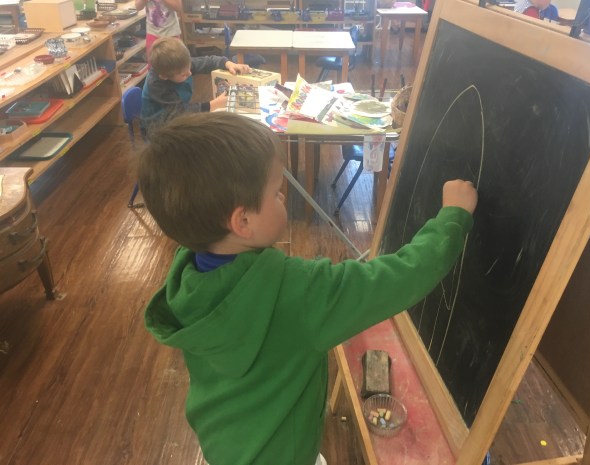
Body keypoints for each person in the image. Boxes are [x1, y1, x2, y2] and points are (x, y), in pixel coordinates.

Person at [138, 111, 478, 465]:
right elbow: (398, 278)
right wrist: (453, 217)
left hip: (223, 448)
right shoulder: (298, 294)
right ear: (243, 221)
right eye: (276, 192)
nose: (283, 197)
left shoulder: (186, 279)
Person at [140, 37, 250, 133]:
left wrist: (228, 63)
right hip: (157, 127)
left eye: (189, 67)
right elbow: (180, 112)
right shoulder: (157, 85)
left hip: (177, 114)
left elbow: (208, 62)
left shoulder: (180, 65)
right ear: (164, 77)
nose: (189, 73)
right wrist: (213, 104)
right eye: (183, 74)